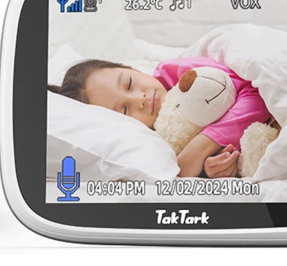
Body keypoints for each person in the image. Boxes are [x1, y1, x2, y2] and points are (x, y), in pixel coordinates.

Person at [48, 57, 272, 178]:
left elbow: (256, 90)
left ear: (131, 68)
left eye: (129, 83)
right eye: (124, 111)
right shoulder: (157, 144)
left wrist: (200, 147)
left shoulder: (177, 73)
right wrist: (211, 169)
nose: (140, 99)